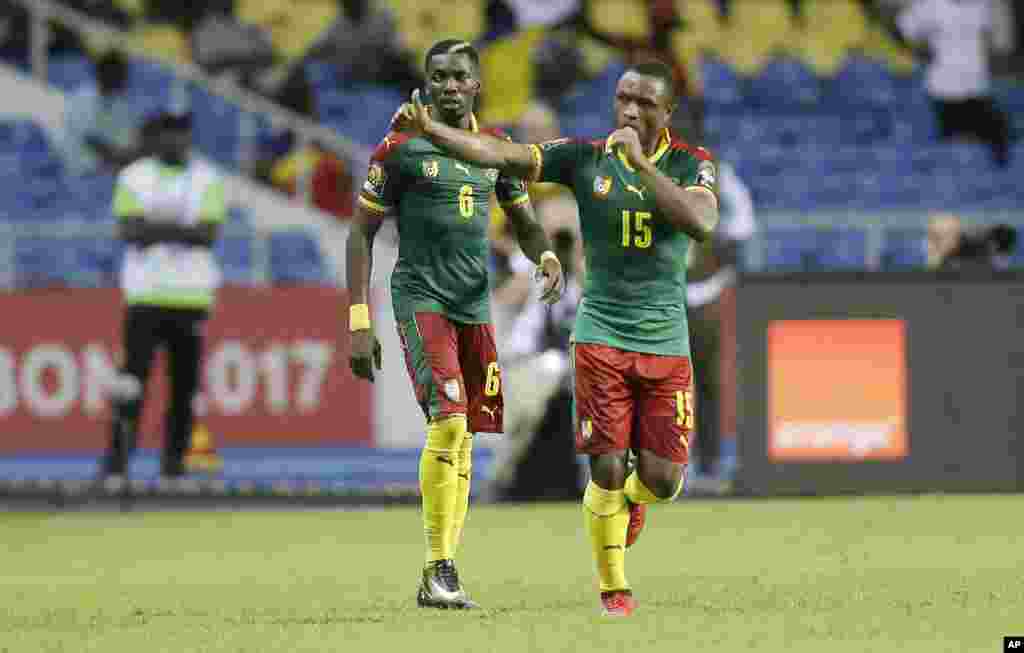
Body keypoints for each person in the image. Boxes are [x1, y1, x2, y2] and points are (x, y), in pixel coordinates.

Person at [398, 59, 719, 617]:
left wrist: (641, 165)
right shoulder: (584, 157)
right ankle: (613, 587)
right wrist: (434, 133)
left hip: (665, 339)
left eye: (643, 103)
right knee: (607, 467)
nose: (629, 110)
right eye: (623, 98)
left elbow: (701, 222)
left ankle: (638, 505)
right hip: (600, 334)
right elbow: (507, 156)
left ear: (666, 112)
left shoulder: (693, 164)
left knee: (662, 480)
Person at [345, 39, 565, 610]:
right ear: (425, 81)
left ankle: (441, 569)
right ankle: (438, 568)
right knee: (447, 423)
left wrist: (544, 255)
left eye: (458, 75)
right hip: (421, 299)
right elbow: (360, 234)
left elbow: (524, 219)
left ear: (476, 84)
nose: (448, 84)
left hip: (474, 306)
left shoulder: (494, 148)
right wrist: (358, 320)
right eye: (437, 74)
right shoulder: (399, 148)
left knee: (464, 435)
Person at [98, 111, 226, 487]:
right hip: (145, 295)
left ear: (189, 137)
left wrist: (154, 229)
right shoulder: (134, 177)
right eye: (169, 134)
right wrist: (180, 229)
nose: (176, 142)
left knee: (183, 390)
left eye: (182, 134)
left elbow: (207, 235)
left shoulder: (207, 178)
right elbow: (129, 231)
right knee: (131, 385)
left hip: (191, 297)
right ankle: (117, 467)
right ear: (157, 138)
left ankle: (173, 469)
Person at [895, 0, 1013, 167]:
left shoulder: (983, 4)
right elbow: (901, 30)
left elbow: (996, 43)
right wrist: (920, 54)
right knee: (957, 146)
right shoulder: (930, 5)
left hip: (977, 89)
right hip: (944, 91)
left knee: (999, 139)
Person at [59, 50, 144, 176]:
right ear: (103, 74)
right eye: (119, 73)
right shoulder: (83, 98)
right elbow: (92, 141)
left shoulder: (120, 106)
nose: (125, 78)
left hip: (110, 173)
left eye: (124, 73)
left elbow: (129, 144)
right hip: (81, 174)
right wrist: (124, 157)